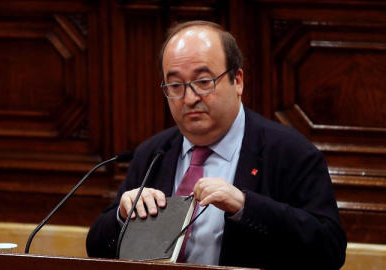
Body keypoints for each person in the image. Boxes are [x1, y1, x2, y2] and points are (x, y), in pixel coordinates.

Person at [86, 20, 347, 269]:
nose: (189, 98)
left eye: (203, 82)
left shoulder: (289, 152)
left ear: (238, 81)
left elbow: (330, 250)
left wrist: (246, 206)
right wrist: (121, 218)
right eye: (175, 85)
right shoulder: (154, 153)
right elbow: (96, 249)